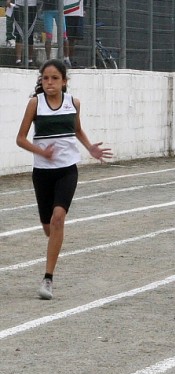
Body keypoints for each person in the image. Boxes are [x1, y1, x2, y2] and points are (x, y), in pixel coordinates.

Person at [15, 59, 113, 300]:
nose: (50, 83)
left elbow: (77, 129)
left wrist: (90, 148)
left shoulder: (73, 103)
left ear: (64, 81)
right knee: (49, 228)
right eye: (46, 78)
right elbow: (20, 138)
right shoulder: (35, 104)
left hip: (67, 169)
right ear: (41, 81)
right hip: (42, 172)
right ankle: (54, 240)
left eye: (55, 78)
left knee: (58, 217)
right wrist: (41, 152)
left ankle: (47, 279)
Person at [7, 0, 38, 66]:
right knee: (18, 33)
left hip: (32, 5)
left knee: (30, 33)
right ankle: (18, 60)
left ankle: (30, 60)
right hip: (19, 5)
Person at [64, 0, 86, 67]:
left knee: (73, 39)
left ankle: (70, 60)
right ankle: (65, 59)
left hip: (78, 11)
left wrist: (84, 8)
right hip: (66, 11)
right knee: (65, 37)